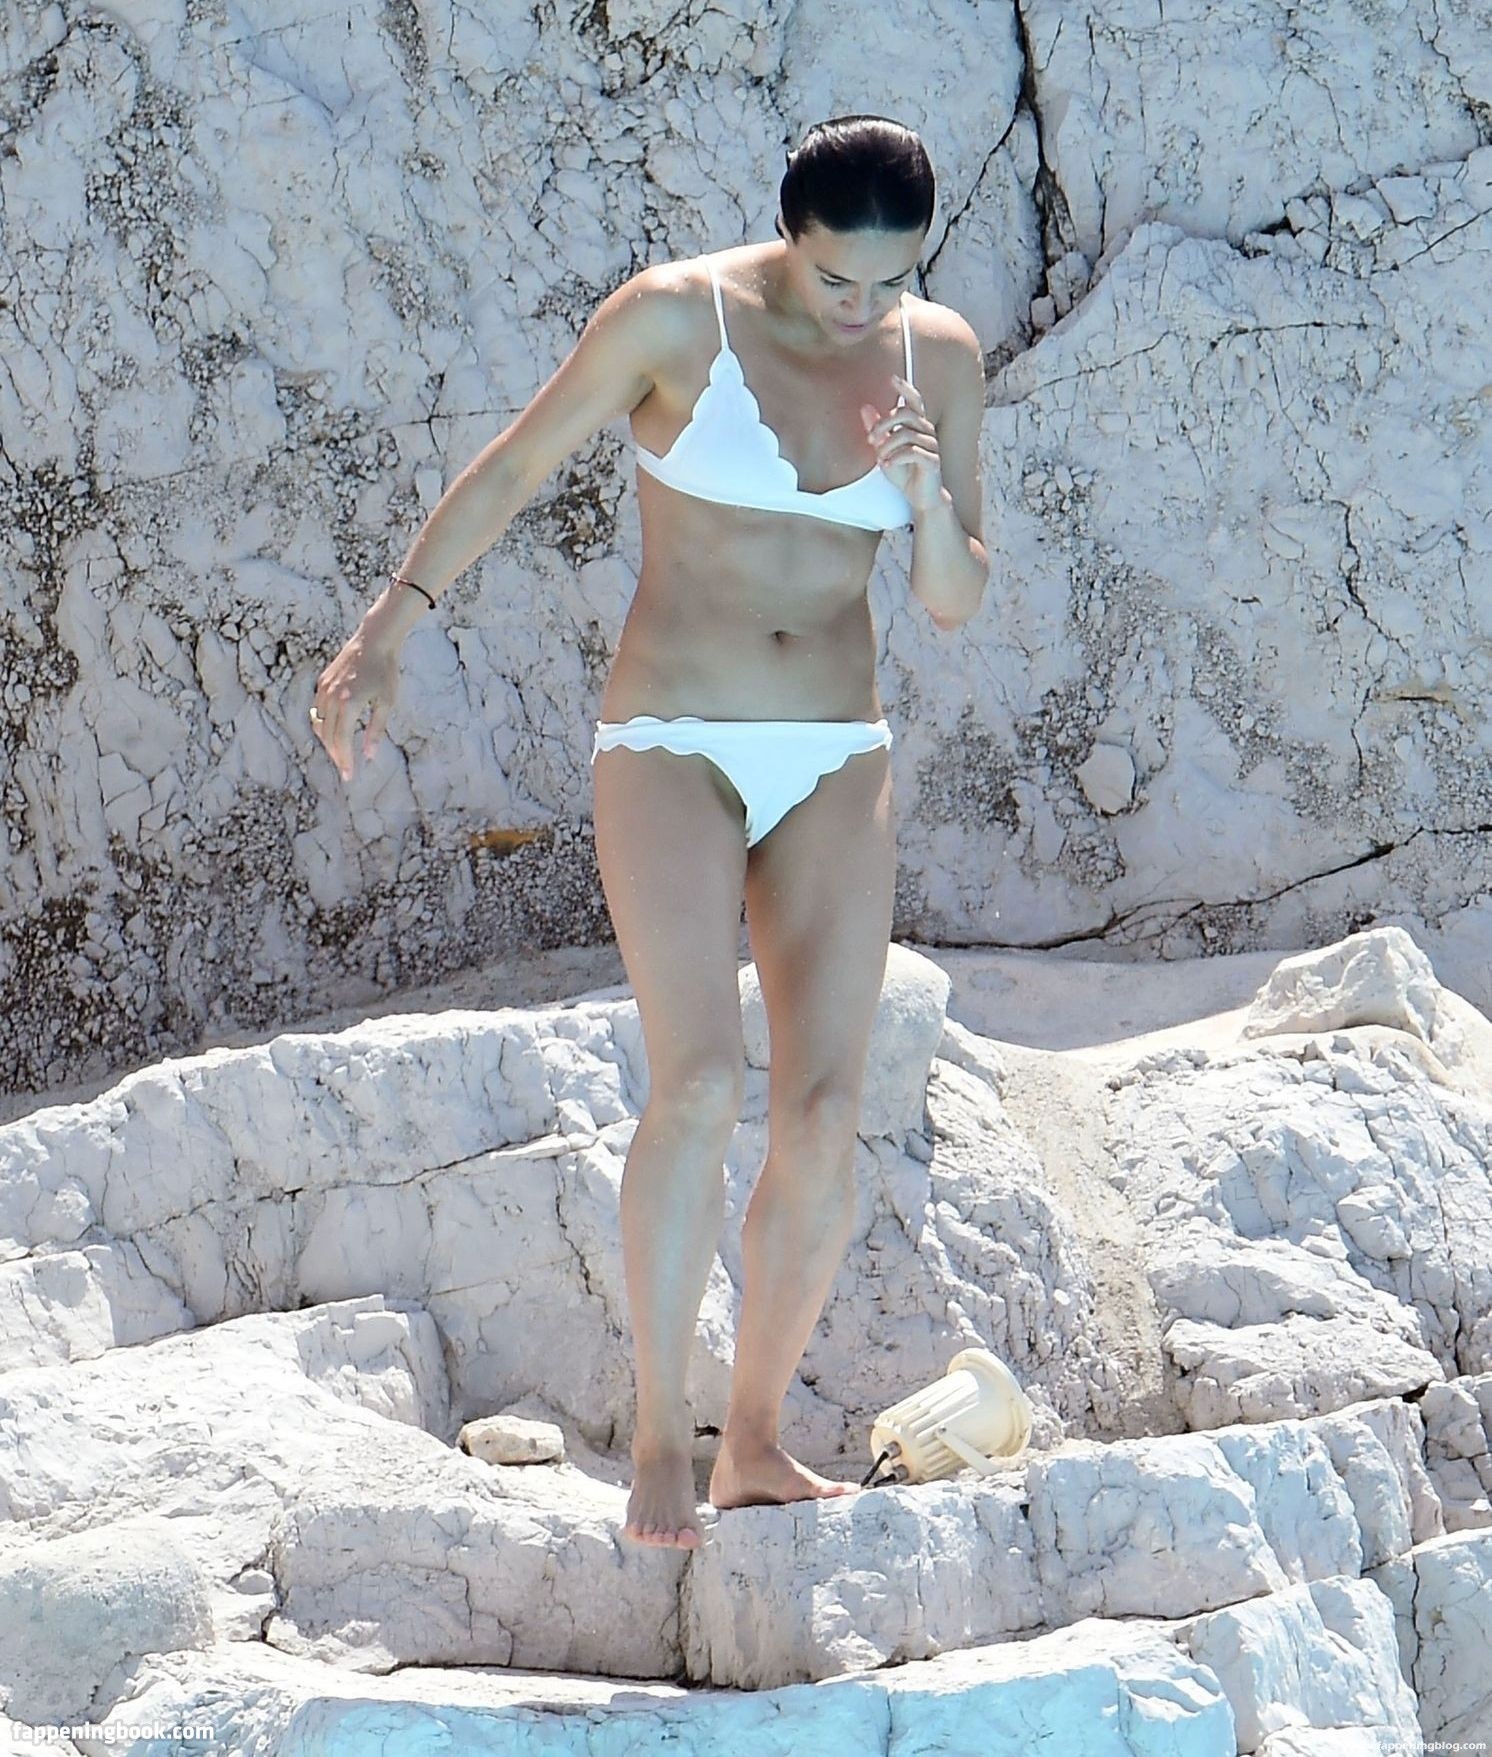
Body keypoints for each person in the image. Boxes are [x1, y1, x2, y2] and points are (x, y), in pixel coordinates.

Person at [311, 115, 988, 1550]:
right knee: (696, 1085)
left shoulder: (939, 356)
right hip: (673, 739)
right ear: (788, 237)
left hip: (836, 749)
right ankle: (663, 1435)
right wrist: (387, 632)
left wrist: (927, 501)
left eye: (891, 279)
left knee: (824, 1116)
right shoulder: (678, 319)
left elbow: (951, 599)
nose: (863, 306)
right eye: (836, 278)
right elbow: (514, 466)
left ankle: (755, 1439)